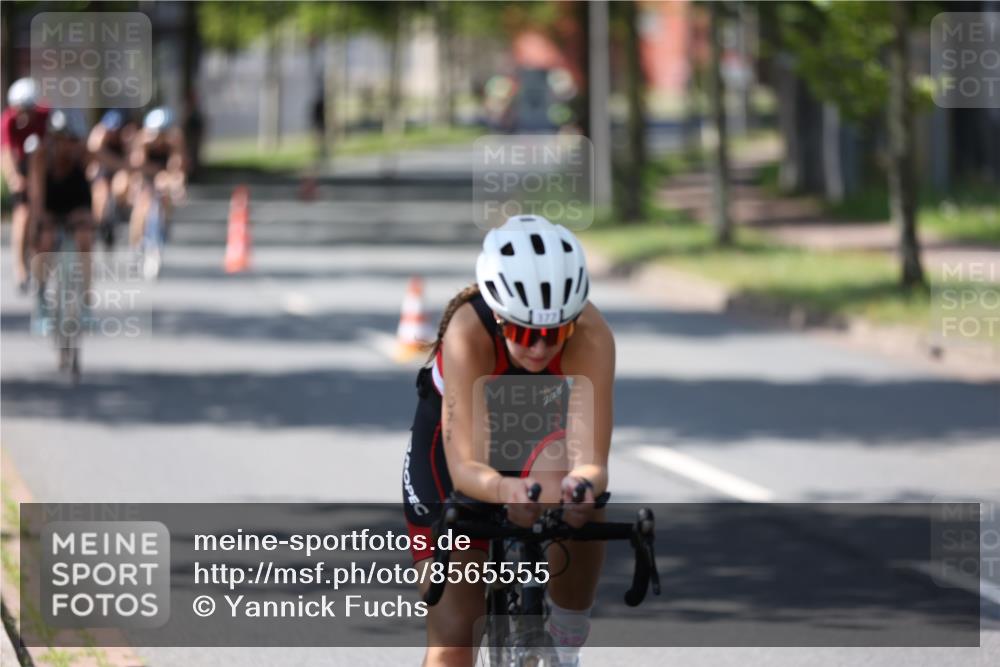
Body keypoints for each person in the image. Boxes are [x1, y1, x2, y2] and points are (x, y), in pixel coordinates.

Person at [402, 215, 615, 667]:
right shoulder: (467, 332)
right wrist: (505, 491)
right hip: (454, 453)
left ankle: (565, 633)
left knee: (584, 501)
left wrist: (582, 489)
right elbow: (466, 468)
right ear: (499, 316)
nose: (540, 349)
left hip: (541, 443)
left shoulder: (592, 336)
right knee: (454, 639)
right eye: (524, 334)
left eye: (555, 334)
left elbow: (591, 459)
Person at [28, 109, 96, 326]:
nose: (73, 145)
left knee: (85, 239)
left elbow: (114, 165)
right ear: (56, 138)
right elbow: (37, 195)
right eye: (69, 140)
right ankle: (41, 299)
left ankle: (85, 303)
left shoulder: (82, 153)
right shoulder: (41, 155)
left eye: (77, 140)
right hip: (50, 204)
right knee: (44, 242)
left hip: (76, 203)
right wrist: (38, 222)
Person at [2, 78, 50, 291]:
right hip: (21, 165)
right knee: (22, 214)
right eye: (19, 110)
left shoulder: (46, 115)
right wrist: (14, 178)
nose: (24, 115)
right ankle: (20, 268)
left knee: (43, 215)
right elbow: (5, 153)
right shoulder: (8, 120)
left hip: (42, 164)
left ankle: (41, 257)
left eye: (28, 110)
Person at [128, 106, 186, 250]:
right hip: (146, 174)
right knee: (142, 203)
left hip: (163, 174)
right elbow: (137, 166)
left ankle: (164, 221)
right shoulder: (143, 141)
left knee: (166, 192)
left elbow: (177, 165)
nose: (158, 138)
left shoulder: (175, 140)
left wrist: (176, 184)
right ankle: (136, 242)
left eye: (162, 133)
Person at [87, 109, 135, 249]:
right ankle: (100, 225)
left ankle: (119, 213)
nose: (113, 133)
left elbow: (131, 161)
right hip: (103, 170)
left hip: (119, 170)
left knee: (122, 185)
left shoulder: (127, 136)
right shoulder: (99, 134)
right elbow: (93, 152)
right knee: (100, 193)